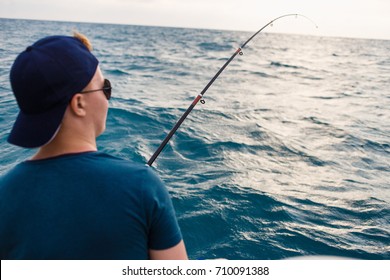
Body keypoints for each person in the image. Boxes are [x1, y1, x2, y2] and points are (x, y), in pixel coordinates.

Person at [0, 33, 188, 260]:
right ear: (79, 103)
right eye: (104, 88)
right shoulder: (142, 185)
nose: (108, 97)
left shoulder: (5, 193)